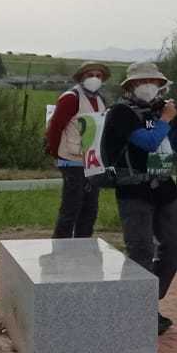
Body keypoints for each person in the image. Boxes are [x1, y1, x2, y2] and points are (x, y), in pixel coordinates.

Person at [98, 62, 177, 335]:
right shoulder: (121, 113)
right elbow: (147, 141)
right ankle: (140, 308)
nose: (148, 86)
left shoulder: (164, 111)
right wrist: (166, 119)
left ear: (160, 85)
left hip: (164, 187)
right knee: (141, 250)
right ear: (131, 85)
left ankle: (141, 299)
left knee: (174, 247)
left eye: (153, 81)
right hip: (134, 189)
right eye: (141, 81)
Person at [44, 61, 110, 238]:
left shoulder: (100, 99)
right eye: (90, 75)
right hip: (71, 159)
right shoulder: (71, 97)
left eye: (99, 75)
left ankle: (83, 247)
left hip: (92, 162)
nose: (95, 78)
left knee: (90, 208)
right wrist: (55, 153)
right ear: (81, 77)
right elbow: (56, 127)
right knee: (71, 207)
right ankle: (60, 248)